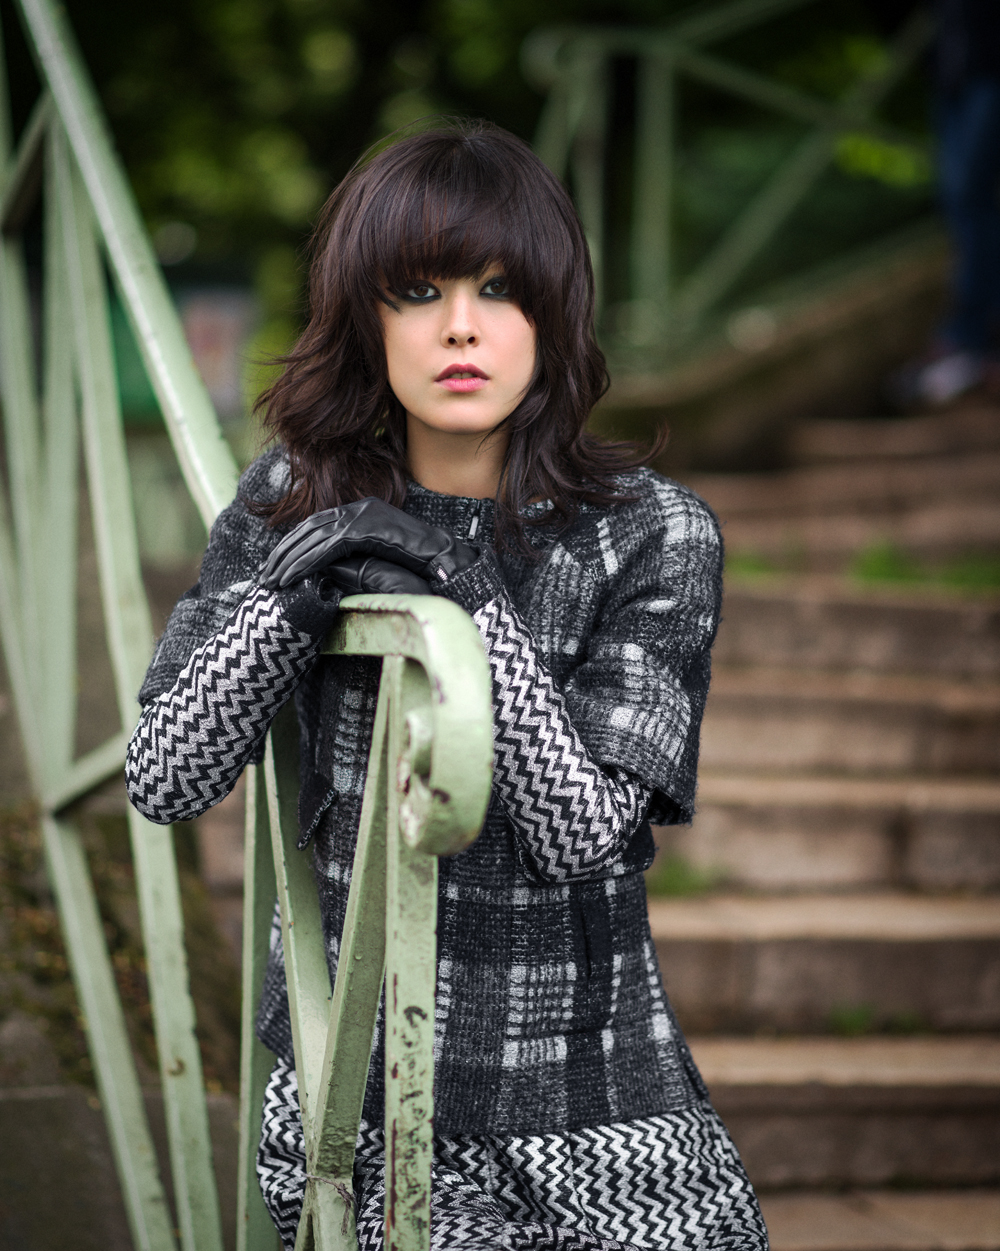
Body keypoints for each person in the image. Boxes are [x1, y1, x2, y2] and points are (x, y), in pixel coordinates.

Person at [125, 121, 768, 1251]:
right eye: (419, 291)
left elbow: (584, 834)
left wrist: (460, 592)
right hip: (361, 1098)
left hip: (598, 1094)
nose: (461, 326)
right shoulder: (289, 499)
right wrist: (286, 605)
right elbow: (164, 776)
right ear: (363, 318)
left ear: (551, 316)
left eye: (499, 289)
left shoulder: (653, 533)